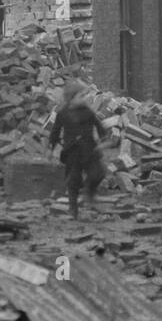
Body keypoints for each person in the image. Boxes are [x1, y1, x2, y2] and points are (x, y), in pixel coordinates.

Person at [49, 81, 110, 220]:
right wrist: (51, 147)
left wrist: (103, 140)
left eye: (85, 95)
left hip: (90, 149)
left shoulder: (87, 112)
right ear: (71, 98)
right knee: (73, 180)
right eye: (81, 96)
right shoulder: (62, 113)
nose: (84, 99)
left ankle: (89, 191)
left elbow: (99, 126)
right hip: (72, 151)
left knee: (98, 174)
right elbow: (55, 131)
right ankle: (73, 209)